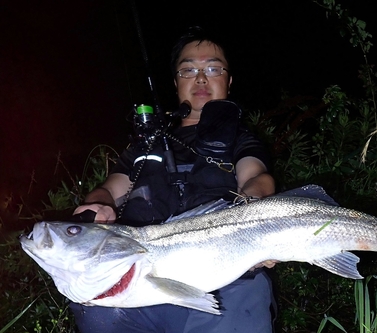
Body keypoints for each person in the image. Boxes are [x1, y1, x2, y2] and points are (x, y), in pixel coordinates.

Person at [69, 26, 277, 332]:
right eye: (189, 69)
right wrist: (98, 206)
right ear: (176, 83)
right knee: (97, 306)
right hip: (138, 281)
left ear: (229, 81)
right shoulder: (145, 145)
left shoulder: (241, 139)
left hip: (225, 281)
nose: (201, 78)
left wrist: (256, 214)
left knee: (247, 293)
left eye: (213, 68)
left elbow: (257, 177)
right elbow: (107, 191)